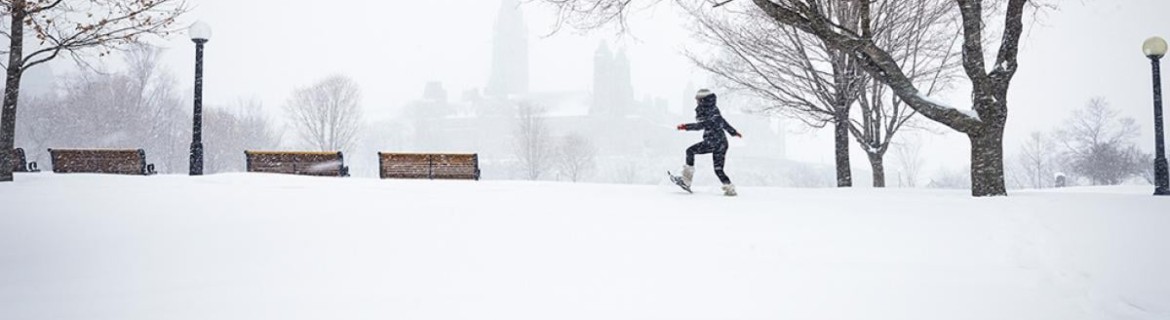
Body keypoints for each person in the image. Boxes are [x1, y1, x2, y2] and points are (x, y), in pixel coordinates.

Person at [676, 89, 741, 196]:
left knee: (690, 151)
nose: (695, 101)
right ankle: (730, 189)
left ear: (702, 99)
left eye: (697, 99)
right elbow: (723, 123)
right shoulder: (710, 109)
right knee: (718, 169)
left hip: (716, 142)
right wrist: (733, 132)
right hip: (718, 142)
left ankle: (686, 181)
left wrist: (685, 126)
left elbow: (703, 125)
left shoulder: (713, 111)